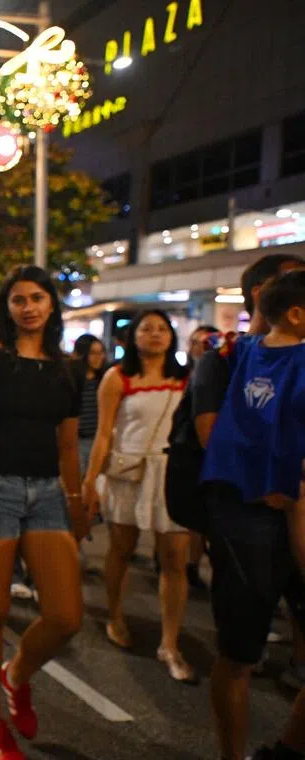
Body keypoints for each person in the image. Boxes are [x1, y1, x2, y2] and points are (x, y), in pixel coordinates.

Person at [0, 265, 88, 759]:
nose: (28, 307)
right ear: (6, 308)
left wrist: (76, 502)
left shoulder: (70, 368)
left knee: (65, 616)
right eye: (18, 300)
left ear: (52, 304)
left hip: (50, 494)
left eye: (37, 297)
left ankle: (17, 674)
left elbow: (70, 445)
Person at [202, 268, 305, 760]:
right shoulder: (294, 358)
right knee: (238, 653)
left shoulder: (241, 353)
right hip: (274, 510)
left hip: (246, 503)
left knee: (238, 653)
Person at [82, 310, 194, 683]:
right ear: (133, 337)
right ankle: (114, 615)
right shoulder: (117, 377)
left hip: (172, 474)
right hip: (128, 473)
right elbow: (103, 433)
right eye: (147, 329)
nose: (156, 334)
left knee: (175, 557)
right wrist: (90, 481)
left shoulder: (186, 378)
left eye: (163, 329)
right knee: (121, 549)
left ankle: (170, 643)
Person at [181, 324, 219, 589]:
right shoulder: (180, 375)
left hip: (214, 458)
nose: (201, 347)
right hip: (187, 456)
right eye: (196, 342)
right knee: (191, 518)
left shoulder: (225, 373)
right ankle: (189, 564)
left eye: (207, 342)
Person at [71, 333, 107, 474]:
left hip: (98, 440)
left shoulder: (104, 380)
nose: (98, 357)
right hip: (77, 441)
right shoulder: (72, 379)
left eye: (101, 352)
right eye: (93, 353)